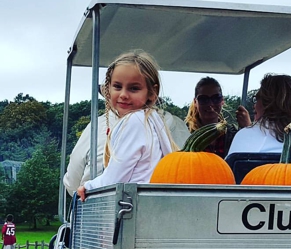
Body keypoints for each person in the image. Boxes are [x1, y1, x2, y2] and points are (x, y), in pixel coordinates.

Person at [76, 50, 177, 201]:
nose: (123, 94)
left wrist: (88, 187)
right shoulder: (153, 120)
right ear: (108, 88)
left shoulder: (134, 121)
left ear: (152, 92)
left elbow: (116, 177)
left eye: (134, 88)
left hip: (131, 208)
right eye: (117, 86)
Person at [226, 73, 291, 158]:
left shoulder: (246, 136)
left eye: (257, 99)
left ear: (268, 103)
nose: (254, 105)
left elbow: (228, 176)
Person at [185, 77, 249, 158]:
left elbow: (248, 155)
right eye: (203, 99)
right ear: (195, 102)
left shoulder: (232, 135)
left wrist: (247, 128)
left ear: (222, 100)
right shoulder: (185, 133)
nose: (210, 104)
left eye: (216, 98)